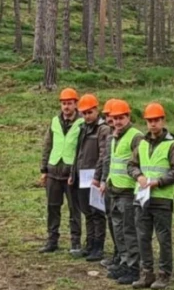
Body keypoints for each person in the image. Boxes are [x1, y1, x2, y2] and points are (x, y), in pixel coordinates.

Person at [127, 102, 174, 290]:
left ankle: (164, 274)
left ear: (163, 121)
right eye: (150, 121)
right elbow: (131, 165)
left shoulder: (172, 145)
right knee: (142, 236)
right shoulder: (142, 144)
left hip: (162, 198)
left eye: (156, 120)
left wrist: (158, 182)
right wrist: (139, 176)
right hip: (142, 197)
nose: (153, 124)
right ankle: (147, 273)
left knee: (163, 238)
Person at [103, 100, 144, 285]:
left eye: (121, 118)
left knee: (129, 230)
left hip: (128, 191)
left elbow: (139, 164)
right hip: (115, 190)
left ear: (128, 117)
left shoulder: (136, 137)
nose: (118, 122)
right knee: (118, 229)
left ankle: (133, 267)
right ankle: (124, 261)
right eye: (115, 118)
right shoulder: (115, 136)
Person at [39, 88, 84, 254]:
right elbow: (47, 145)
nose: (66, 107)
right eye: (64, 103)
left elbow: (82, 149)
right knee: (52, 207)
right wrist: (44, 169)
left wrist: (77, 171)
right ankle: (52, 240)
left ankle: (75, 242)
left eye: (70, 103)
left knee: (74, 209)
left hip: (71, 173)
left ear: (75, 104)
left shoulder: (82, 122)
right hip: (53, 171)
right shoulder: (55, 121)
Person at [73, 94, 111, 262]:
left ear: (96, 110)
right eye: (84, 113)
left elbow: (103, 156)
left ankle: (98, 246)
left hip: (94, 177)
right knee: (87, 212)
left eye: (89, 112)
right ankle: (90, 244)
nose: (87, 116)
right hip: (82, 176)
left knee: (97, 212)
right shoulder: (82, 127)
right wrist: (73, 172)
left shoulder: (103, 129)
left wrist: (100, 177)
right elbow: (78, 153)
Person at [101, 100, 121, 268]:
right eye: (107, 116)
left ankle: (123, 256)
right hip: (110, 185)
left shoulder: (130, 137)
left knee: (123, 225)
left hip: (124, 188)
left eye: (112, 116)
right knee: (112, 220)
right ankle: (117, 253)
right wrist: (102, 180)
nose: (109, 119)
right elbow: (106, 160)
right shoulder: (110, 138)